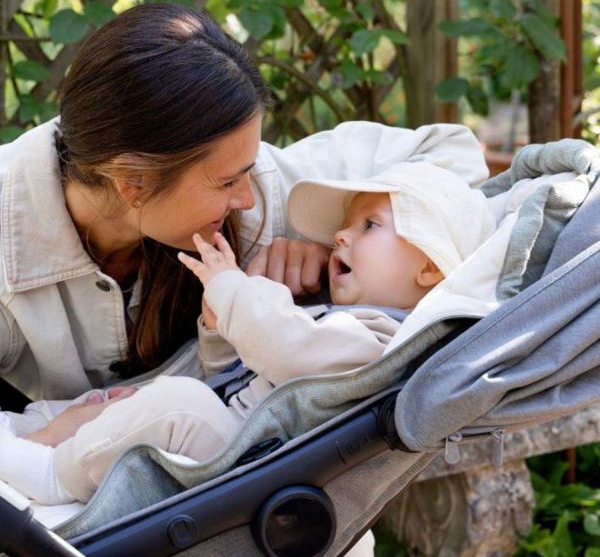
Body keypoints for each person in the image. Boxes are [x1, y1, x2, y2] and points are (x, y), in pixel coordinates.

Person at [0, 1, 490, 557]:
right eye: (229, 180)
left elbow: (449, 153)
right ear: (132, 183)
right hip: (86, 484)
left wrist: (327, 240)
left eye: (249, 173)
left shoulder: (257, 190)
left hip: (212, 473)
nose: (250, 199)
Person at [7, 162, 495, 507]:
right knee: (109, 402)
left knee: (178, 401)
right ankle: (22, 434)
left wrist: (231, 287)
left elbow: (287, 350)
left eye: (370, 226)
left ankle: (53, 475)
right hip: (228, 438)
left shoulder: (383, 342)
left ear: (430, 267)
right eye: (345, 226)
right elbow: (240, 374)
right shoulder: (333, 321)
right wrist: (220, 333)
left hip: (247, 467)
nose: (341, 237)